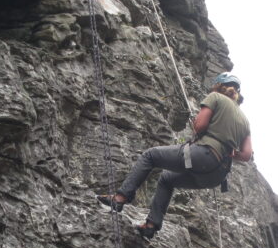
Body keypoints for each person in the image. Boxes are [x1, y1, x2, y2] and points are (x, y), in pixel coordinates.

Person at [97, 72, 253, 239]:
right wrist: (229, 150)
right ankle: (151, 225)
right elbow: (246, 155)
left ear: (218, 86)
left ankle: (120, 197)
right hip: (217, 174)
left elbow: (199, 126)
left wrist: (198, 125)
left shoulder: (215, 97)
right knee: (167, 179)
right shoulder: (244, 120)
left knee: (151, 156)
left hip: (203, 154)